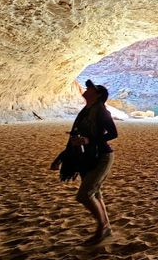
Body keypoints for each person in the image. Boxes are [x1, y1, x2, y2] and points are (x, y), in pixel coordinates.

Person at [50, 79, 117, 246]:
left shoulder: (101, 111)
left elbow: (113, 133)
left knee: (84, 195)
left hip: (101, 156)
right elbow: (75, 138)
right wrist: (60, 158)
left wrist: (89, 139)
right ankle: (105, 228)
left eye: (91, 88)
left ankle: (102, 227)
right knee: (95, 193)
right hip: (87, 157)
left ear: (98, 94)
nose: (87, 89)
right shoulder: (86, 111)